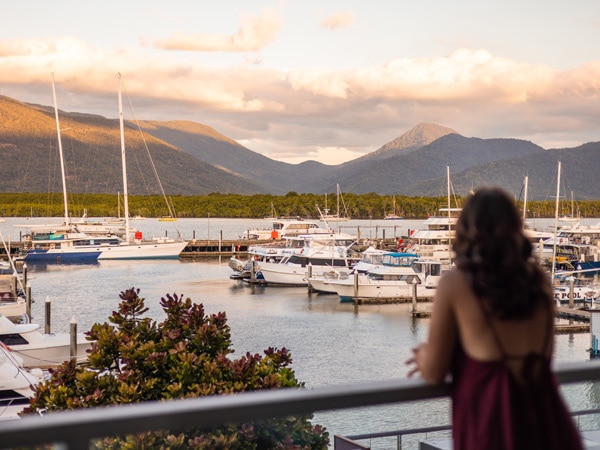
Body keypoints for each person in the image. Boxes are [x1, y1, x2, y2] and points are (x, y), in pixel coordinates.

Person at [405, 187, 583, 450]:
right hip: (548, 424)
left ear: (466, 230)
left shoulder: (455, 284)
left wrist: (423, 356)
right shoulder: (540, 282)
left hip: (494, 428)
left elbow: (434, 372)